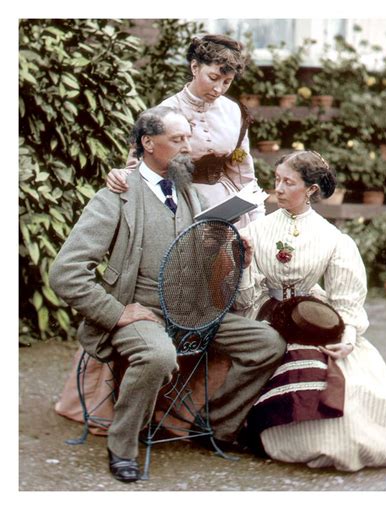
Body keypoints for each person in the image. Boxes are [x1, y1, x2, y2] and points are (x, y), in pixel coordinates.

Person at [49, 106, 286, 483]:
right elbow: (65, 272)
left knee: (268, 343)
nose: (188, 148)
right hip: (142, 313)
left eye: (188, 138)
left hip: (194, 312)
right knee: (158, 355)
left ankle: (216, 424)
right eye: (178, 140)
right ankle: (122, 445)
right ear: (148, 143)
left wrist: (235, 253)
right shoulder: (115, 197)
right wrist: (116, 313)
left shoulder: (189, 192)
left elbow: (201, 257)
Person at [233, 150, 386, 471]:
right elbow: (246, 294)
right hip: (267, 312)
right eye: (276, 180)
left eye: (288, 182)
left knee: (347, 378)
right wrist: (245, 264)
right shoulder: (257, 229)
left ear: (311, 191)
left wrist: (346, 333)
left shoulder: (332, 238)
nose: (277, 188)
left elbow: (346, 299)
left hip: (312, 315)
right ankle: (271, 429)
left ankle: (350, 435)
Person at [106, 34, 264, 229]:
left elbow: (243, 171)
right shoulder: (164, 113)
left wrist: (258, 218)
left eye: (227, 82)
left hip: (227, 206)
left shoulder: (234, 111)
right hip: (180, 205)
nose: (218, 89)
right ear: (195, 67)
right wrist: (121, 176)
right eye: (213, 78)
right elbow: (137, 168)